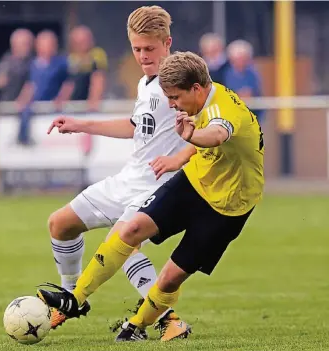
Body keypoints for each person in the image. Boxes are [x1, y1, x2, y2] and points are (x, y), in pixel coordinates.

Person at [38, 51, 264, 342]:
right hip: (192, 183)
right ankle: (74, 297)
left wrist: (190, 136)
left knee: (171, 277)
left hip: (227, 209)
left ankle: (137, 326)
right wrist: (179, 158)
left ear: (196, 89)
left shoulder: (225, 110)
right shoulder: (196, 98)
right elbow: (206, 144)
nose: (172, 104)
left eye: (175, 98)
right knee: (129, 229)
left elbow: (216, 136)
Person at [38, 6, 193, 341]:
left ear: (167, 43)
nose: (142, 56)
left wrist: (180, 158)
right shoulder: (146, 82)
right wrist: (80, 124)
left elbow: (208, 121)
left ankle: (169, 319)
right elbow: (135, 127)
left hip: (158, 186)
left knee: (122, 245)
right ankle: (71, 297)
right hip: (129, 178)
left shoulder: (181, 81)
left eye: (149, 48)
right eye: (136, 49)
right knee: (60, 223)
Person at [16, 31, 72, 145]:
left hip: (54, 105)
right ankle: (23, 139)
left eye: (49, 44)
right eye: (42, 44)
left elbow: (69, 83)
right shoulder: (33, 64)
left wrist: (61, 98)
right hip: (37, 104)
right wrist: (22, 99)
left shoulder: (62, 63)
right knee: (25, 113)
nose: (46, 47)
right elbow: (30, 85)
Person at [225, 39, 265, 124]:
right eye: (237, 59)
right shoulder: (226, 74)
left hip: (252, 114)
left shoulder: (252, 73)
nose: (240, 62)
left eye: (243, 58)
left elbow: (256, 91)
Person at [68, 25, 107, 111]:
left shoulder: (97, 54)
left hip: (88, 106)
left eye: (84, 41)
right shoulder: (71, 58)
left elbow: (98, 78)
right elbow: (69, 83)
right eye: (78, 42)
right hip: (73, 106)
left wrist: (93, 101)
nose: (82, 45)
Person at [0, 28, 34, 102]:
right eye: (23, 44)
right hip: (8, 105)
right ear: (14, 45)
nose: (26, 47)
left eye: (28, 44)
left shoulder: (35, 61)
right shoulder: (6, 61)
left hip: (31, 106)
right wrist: (0, 81)